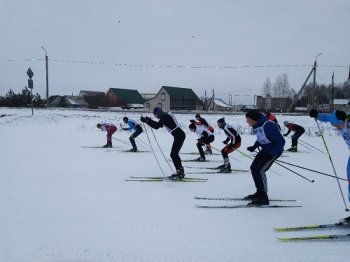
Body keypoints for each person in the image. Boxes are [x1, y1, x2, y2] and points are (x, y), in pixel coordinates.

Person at [309, 109, 350, 223]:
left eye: (338, 125)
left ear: (344, 121)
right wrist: (317, 115)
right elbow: (326, 118)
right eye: (334, 125)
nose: (337, 128)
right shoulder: (338, 119)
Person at [245, 110, 285, 205]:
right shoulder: (257, 126)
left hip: (274, 151)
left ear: (254, 119)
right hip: (265, 150)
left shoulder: (269, 125)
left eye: (248, 119)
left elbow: (281, 142)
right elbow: (261, 138)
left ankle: (263, 197)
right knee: (254, 168)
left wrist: (271, 154)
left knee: (260, 170)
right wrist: (254, 146)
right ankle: (259, 192)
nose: (246, 121)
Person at [140, 107, 186, 180]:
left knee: (173, 154)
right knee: (174, 154)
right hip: (179, 135)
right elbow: (159, 124)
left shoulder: (165, 117)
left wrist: (147, 121)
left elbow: (156, 126)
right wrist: (148, 120)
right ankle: (180, 171)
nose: (156, 116)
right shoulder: (165, 116)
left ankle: (180, 172)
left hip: (179, 136)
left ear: (158, 113)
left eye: (155, 115)